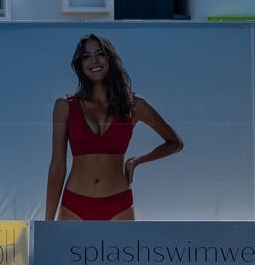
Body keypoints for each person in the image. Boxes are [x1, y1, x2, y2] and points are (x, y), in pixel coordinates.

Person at [46, 33, 183, 221]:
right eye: (86, 56)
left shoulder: (133, 105)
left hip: (119, 205)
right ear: (80, 64)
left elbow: (175, 143)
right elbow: (57, 167)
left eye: (100, 53)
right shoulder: (65, 106)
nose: (94, 60)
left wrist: (137, 161)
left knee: (127, 252)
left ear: (109, 59)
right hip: (74, 206)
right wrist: (47, 223)